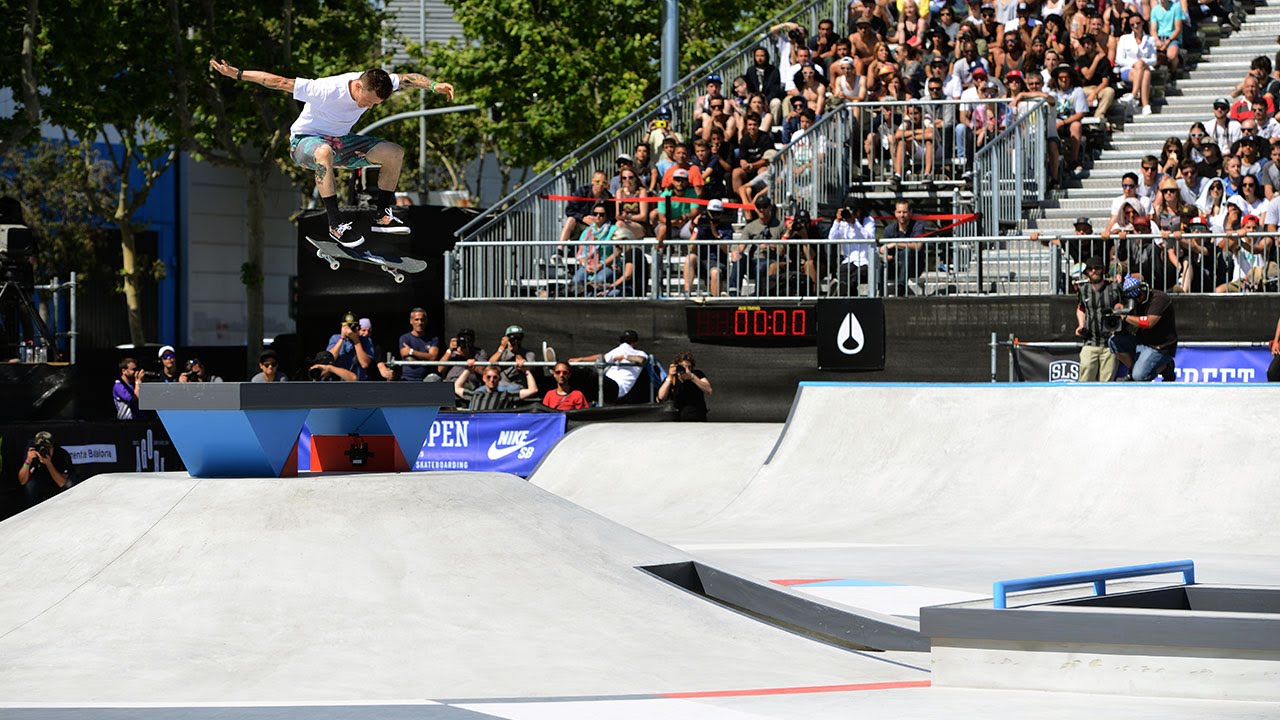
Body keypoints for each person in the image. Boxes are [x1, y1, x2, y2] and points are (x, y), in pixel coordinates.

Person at [209, 60, 453, 248]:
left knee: (394, 153)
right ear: (358, 85)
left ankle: (382, 215)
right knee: (324, 150)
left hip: (341, 143)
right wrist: (238, 74)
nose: (368, 107)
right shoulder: (324, 89)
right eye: (366, 101)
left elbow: (407, 78)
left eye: (374, 105)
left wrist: (433, 85)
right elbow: (279, 82)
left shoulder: (377, 81)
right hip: (304, 143)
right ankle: (336, 223)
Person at [1109, 276, 1178, 381]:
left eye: (1139, 296)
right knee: (1114, 341)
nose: (1138, 299)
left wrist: (1125, 317)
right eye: (1134, 298)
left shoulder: (1159, 299)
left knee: (1140, 377)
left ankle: (1166, 367)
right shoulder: (1133, 300)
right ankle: (1133, 371)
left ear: (1144, 289)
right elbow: (1120, 307)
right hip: (1141, 341)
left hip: (1160, 346)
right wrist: (1120, 308)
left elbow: (1149, 322)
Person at [568, 329, 650, 404]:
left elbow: (641, 360)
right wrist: (581, 359)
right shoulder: (618, 350)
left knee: (587, 374)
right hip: (606, 382)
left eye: (628, 342)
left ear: (635, 342)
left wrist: (624, 357)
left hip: (617, 388)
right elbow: (603, 357)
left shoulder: (640, 353)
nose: (625, 345)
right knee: (577, 375)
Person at [1075, 256, 1121, 382]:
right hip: (1090, 341)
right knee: (1085, 378)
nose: (1093, 271)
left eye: (1097, 268)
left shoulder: (1115, 288)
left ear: (1103, 270)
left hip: (1110, 343)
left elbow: (1126, 307)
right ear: (1086, 272)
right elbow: (1080, 309)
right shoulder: (1083, 290)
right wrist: (1081, 325)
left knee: (1106, 383)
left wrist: (1119, 308)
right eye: (1090, 269)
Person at [18, 430, 75, 509]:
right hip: (41, 484)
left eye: (47, 447)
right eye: (40, 447)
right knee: (30, 485)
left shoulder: (62, 455)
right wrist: (28, 461)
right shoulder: (33, 455)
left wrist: (49, 463)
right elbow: (22, 481)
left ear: (53, 447)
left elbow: (63, 483)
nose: (44, 450)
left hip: (56, 485)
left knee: (70, 483)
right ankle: (33, 513)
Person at [453, 357, 538, 410]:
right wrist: (468, 370)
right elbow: (456, 387)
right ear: (483, 378)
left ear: (499, 379)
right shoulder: (475, 395)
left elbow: (533, 390)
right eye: (488, 377)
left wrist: (526, 370)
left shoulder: (505, 395)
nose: (491, 380)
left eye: (495, 377)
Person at [1114, 13, 1155, 116]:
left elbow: (1154, 60)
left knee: (1145, 72)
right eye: (1133, 25)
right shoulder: (1124, 39)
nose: (1136, 26)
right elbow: (1119, 59)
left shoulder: (1150, 39)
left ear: (1142, 23)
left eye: (1138, 23)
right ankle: (1145, 104)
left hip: (1144, 69)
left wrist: (1141, 63)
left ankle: (1134, 94)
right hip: (1128, 70)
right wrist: (1135, 64)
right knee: (1144, 71)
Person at [657, 352, 712, 421]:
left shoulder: (697, 374)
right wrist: (670, 376)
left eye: (688, 367)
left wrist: (692, 377)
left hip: (696, 417)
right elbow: (661, 397)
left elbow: (709, 390)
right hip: (677, 418)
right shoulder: (673, 378)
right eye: (682, 366)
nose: (685, 369)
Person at [326, 312, 374, 381]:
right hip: (337, 383)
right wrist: (342, 338)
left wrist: (356, 340)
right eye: (348, 326)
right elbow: (329, 359)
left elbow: (365, 364)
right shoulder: (335, 338)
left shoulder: (366, 340)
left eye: (353, 326)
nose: (350, 329)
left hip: (358, 384)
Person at [397, 307, 441, 382]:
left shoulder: (433, 339)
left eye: (422, 320)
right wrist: (426, 357)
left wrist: (411, 351)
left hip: (428, 378)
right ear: (411, 321)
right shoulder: (405, 338)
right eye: (416, 320)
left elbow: (433, 357)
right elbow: (407, 357)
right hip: (408, 379)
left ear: (426, 321)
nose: (419, 323)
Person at [489, 324, 537, 391]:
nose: (516, 341)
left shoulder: (529, 354)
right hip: (501, 385)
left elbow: (529, 369)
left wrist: (516, 352)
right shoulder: (502, 353)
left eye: (518, 338)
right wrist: (501, 347)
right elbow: (490, 364)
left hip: (518, 386)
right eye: (512, 338)